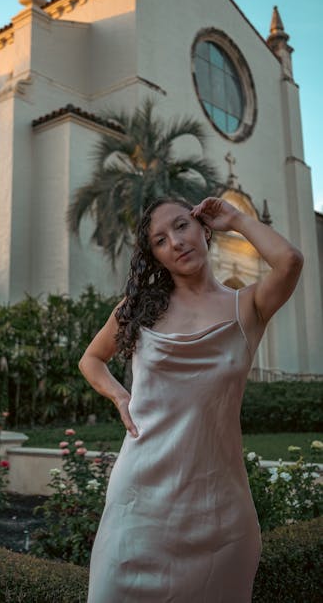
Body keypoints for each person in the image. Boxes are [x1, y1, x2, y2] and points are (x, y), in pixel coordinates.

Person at [79, 196, 303, 603]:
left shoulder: (247, 307)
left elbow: (289, 261)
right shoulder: (139, 309)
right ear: (157, 257)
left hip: (218, 512)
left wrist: (235, 218)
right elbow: (91, 359)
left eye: (182, 226)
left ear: (204, 229)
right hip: (138, 506)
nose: (176, 242)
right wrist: (119, 394)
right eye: (160, 240)